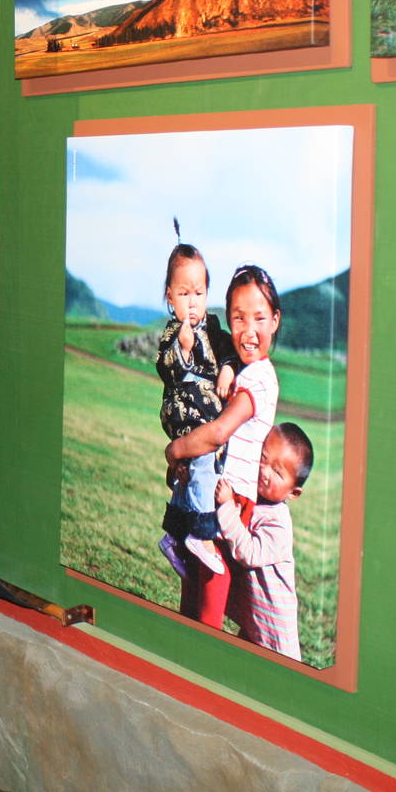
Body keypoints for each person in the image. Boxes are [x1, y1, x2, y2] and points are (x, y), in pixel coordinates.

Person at [164, 264, 283, 629]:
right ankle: (188, 642)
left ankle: (203, 645)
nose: (248, 331)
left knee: (212, 581)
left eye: (259, 318)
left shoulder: (260, 380)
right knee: (196, 574)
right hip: (213, 489)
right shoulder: (243, 370)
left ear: (275, 321)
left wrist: (176, 451)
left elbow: (218, 432)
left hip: (233, 497)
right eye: (238, 318)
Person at [154, 239, 236, 578]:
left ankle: (173, 535)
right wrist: (183, 349)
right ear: (170, 298)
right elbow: (165, 367)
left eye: (199, 293)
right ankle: (201, 534)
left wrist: (228, 367)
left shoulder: (214, 326)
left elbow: (227, 349)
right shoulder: (173, 332)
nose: (192, 302)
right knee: (202, 464)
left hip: (207, 413)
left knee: (188, 479)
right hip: (185, 414)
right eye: (184, 294)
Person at [213, 421, 312, 659]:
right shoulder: (254, 497)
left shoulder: (278, 523)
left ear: (293, 492)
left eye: (277, 472)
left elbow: (249, 553)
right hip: (255, 624)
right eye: (263, 458)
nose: (264, 471)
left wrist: (226, 506)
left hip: (276, 636)